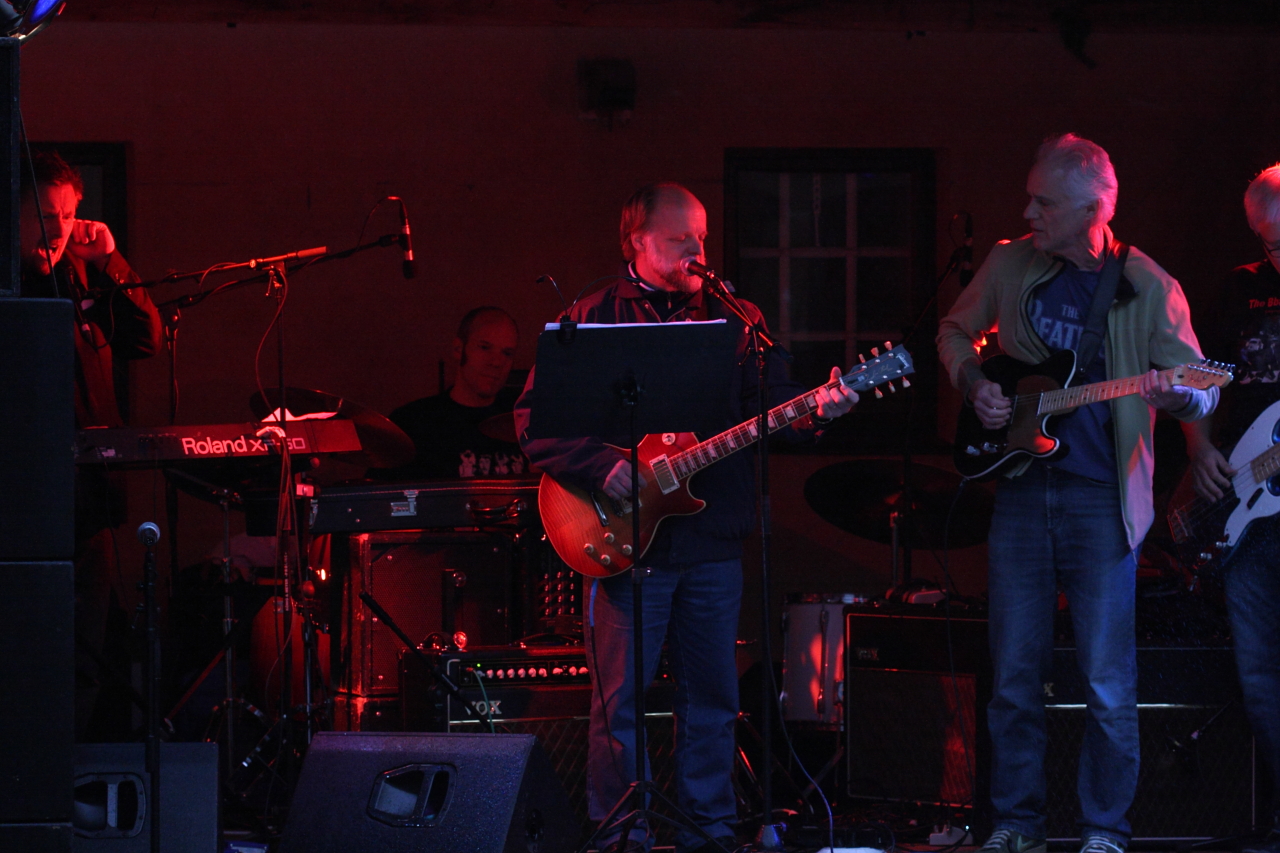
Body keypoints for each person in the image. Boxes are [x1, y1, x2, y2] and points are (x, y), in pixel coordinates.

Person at [515, 182, 858, 853]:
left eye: (701, 238)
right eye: (679, 240)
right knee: (620, 701)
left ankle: (709, 829)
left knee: (713, 697)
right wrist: (601, 464)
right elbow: (535, 422)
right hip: (620, 535)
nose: (696, 251)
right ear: (635, 240)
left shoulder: (738, 320)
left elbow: (776, 405)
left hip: (711, 536)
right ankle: (623, 831)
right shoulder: (591, 315)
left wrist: (818, 410)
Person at [936, 135, 1217, 853]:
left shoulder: (1149, 284)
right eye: (1030, 198)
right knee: (1013, 674)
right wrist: (976, 383)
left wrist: (1177, 394)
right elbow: (955, 331)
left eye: (1045, 202)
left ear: (1093, 210)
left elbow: (1199, 389)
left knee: (1106, 680)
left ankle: (1104, 831)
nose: (1028, 212)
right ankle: (1015, 824)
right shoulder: (1010, 261)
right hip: (1021, 489)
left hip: (1102, 501)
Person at [19, 149, 163, 738]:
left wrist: (109, 260)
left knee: (87, 657)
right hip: (23, 505)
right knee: (26, 655)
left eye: (66, 215)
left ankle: (71, 770)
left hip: (89, 502)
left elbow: (146, 340)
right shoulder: (14, 286)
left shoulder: (82, 276)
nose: (56, 229)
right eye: (43, 214)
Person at [1181, 163, 1280, 853]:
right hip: (1247, 504)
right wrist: (1197, 448)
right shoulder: (1238, 288)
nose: (1276, 253)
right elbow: (1198, 380)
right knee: (1259, 674)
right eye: (1268, 241)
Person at [384, 306, 527, 479]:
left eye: (507, 353)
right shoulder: (414, 422)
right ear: (458, 349)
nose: (497, 362)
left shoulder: (524, 418)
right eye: (484, 347)